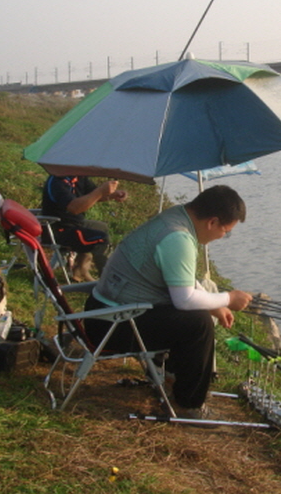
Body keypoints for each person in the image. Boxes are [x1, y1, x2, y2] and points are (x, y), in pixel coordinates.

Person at [83, 184, 253, 418]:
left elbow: (181, 277)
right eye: (226, 231)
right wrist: (229, 298)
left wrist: (216, 305)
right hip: (110, 325)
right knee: (198, 324)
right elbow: (184, 299)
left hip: (102, 311)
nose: (223, 236)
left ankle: (173, 379)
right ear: (212, 222)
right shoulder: (178, 237)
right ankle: (188, 405)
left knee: (195, 314)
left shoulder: (175, 217)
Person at [40, 174, 128, 282]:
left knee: (101, 227)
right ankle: (107, 281)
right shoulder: (57, 182)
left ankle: (80, 269)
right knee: (100, 238)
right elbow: (74, 208)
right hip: (58, 229)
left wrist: (113, 194)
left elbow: (93, 195)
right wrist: (100, 191)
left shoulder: (79, 178)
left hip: (75, 225)